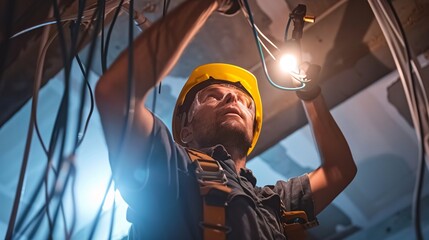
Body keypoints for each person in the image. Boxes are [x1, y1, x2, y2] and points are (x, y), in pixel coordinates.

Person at [95, 0, 357, 239]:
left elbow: (339, 170)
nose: (233, 100)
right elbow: (116, 94)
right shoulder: (172, 171)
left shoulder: (273, 204)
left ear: (253, 131)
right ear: (184, 130)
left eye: (245, 102)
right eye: (213, 95)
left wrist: (310, 95)